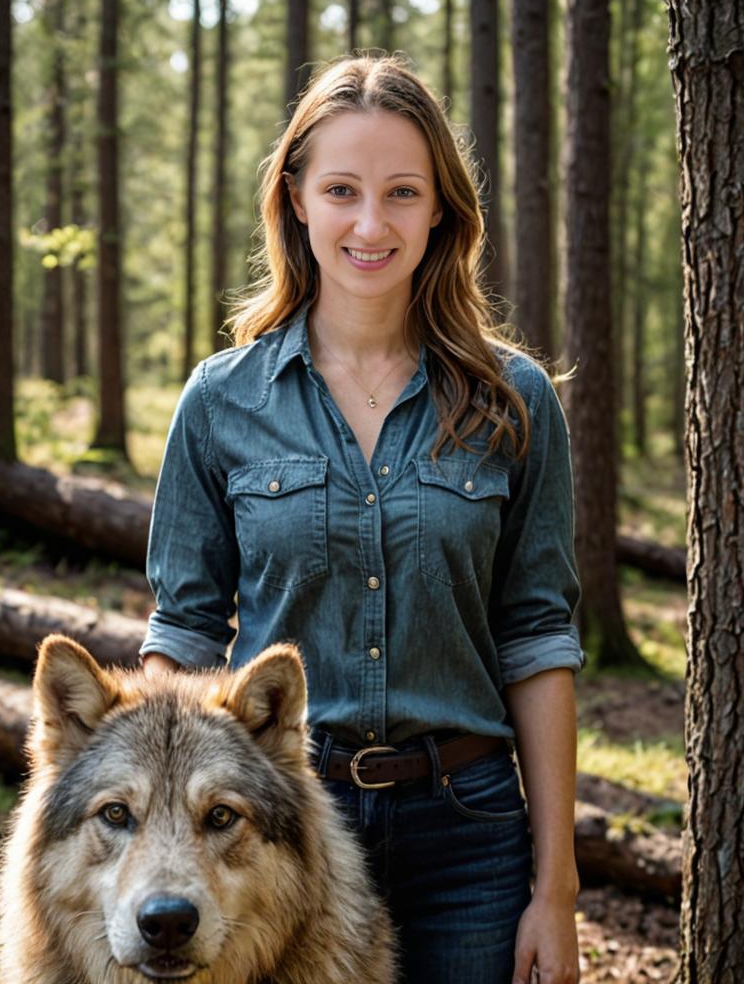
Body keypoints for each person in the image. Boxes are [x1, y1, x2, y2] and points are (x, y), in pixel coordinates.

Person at [141, 53, 585, 984]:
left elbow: (537, 639)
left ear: (441, 212)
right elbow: (181, 632)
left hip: (469, 834)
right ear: (297, 198)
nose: (371, 224)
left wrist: (557, 890)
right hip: (274, 833)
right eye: (342, 188)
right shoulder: (221, 402)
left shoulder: (517, 400)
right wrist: (163, 850)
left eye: (403, 192)